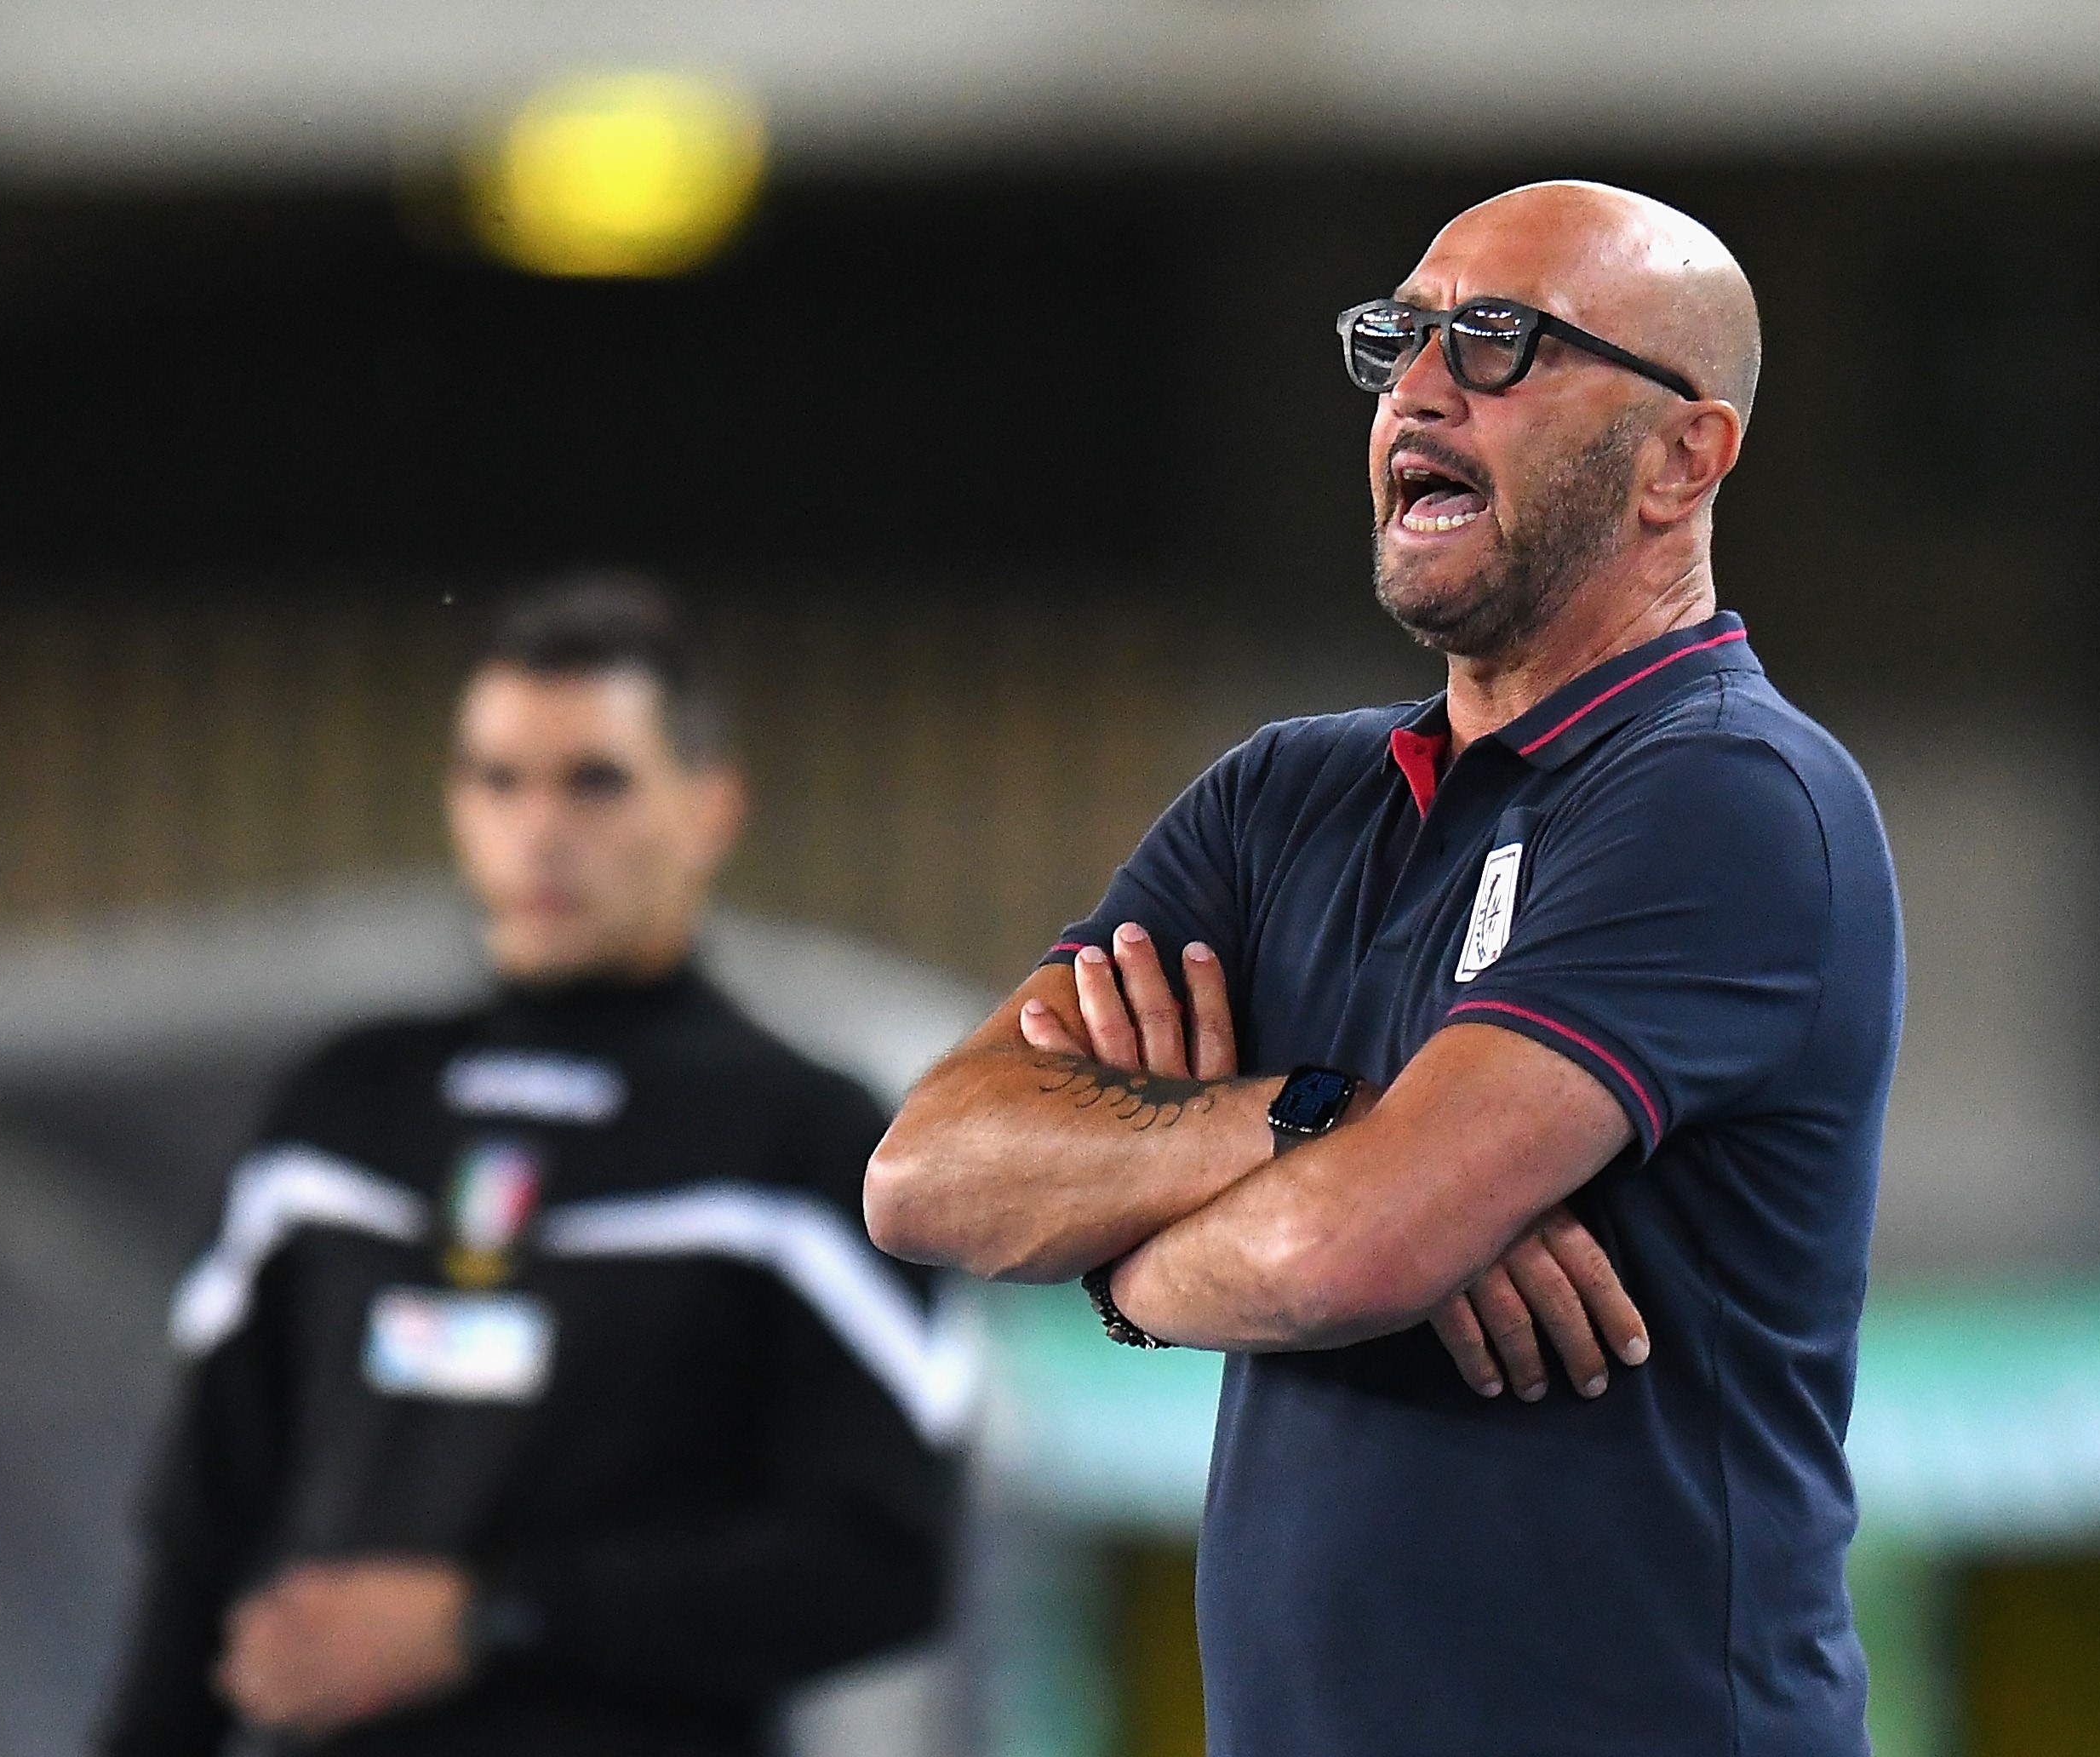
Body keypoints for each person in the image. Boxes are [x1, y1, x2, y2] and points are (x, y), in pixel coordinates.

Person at [867, 181, 1903, 1755]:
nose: (1418, 388)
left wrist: (1129, 1253)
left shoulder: (1727, 795)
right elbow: (927, 1175)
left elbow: (1331, 1264)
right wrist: (1304, 1121)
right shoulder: (1283, 800)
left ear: (1684, 459)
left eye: (1498, 344)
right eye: (1401, 340)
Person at [100, 579, 969, 1757]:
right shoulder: (343, 1112)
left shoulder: (798, 1139)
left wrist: (490, 1616)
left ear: (710, 809)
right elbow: (203, 1529)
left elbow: (885, 1565)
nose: (540, 829)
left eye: (595, 781)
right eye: (496, 780)